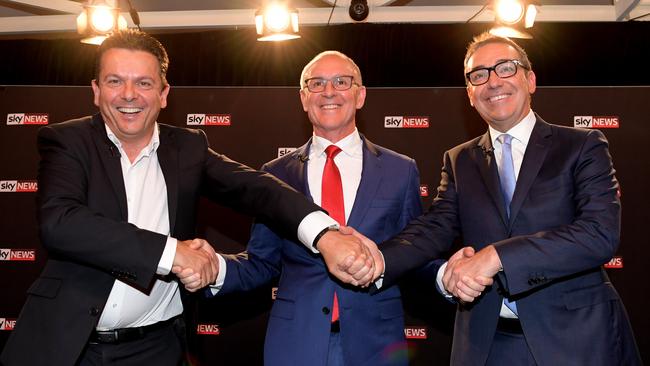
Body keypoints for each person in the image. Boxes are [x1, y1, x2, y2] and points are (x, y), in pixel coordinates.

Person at [0, 30, 374, 366]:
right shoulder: (67, 142)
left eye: (144, 83)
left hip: (157, 347)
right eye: (116, 81)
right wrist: (173, 253)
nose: (129, 95)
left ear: (163, 94)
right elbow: (61, 224)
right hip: (69, 346)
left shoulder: (187, 148)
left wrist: (325, 234)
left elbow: (258, 188)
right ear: (96, 90)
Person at [346, 32, 642, 365]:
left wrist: (496, 256)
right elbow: (435, 228)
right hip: (488, 344)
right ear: (470, 94)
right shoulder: (460, 159)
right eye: (479, 75)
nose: (493, 82)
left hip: (576, 339)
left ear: (530, 80)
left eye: (505, 68)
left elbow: (598, 235)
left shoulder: (581, 146)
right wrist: (379, 259)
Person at [201, 51, 422, 366]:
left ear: (360, 95)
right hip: (296, 343)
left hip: (376, 343)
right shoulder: (275, 174)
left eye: (341, 82)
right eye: (316, 84)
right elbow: (261, 263)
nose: (329, 91)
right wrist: (213, 267)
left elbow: (414, 251)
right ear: (304, 98)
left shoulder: (401, 170)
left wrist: (448, 273)